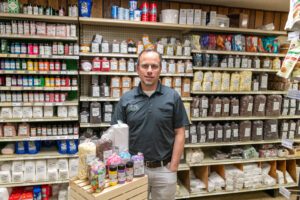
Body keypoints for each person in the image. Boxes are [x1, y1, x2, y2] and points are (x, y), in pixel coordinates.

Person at [111, 49, 189, 200]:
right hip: (132, 169)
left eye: (154, 66)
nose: (149, 71)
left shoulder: (172, 97)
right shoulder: (126, 99)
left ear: (161, 69)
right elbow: (117, 135)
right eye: (145, 66)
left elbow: (180, 132)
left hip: (164, 169)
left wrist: (173, 166)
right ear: (137, 69)